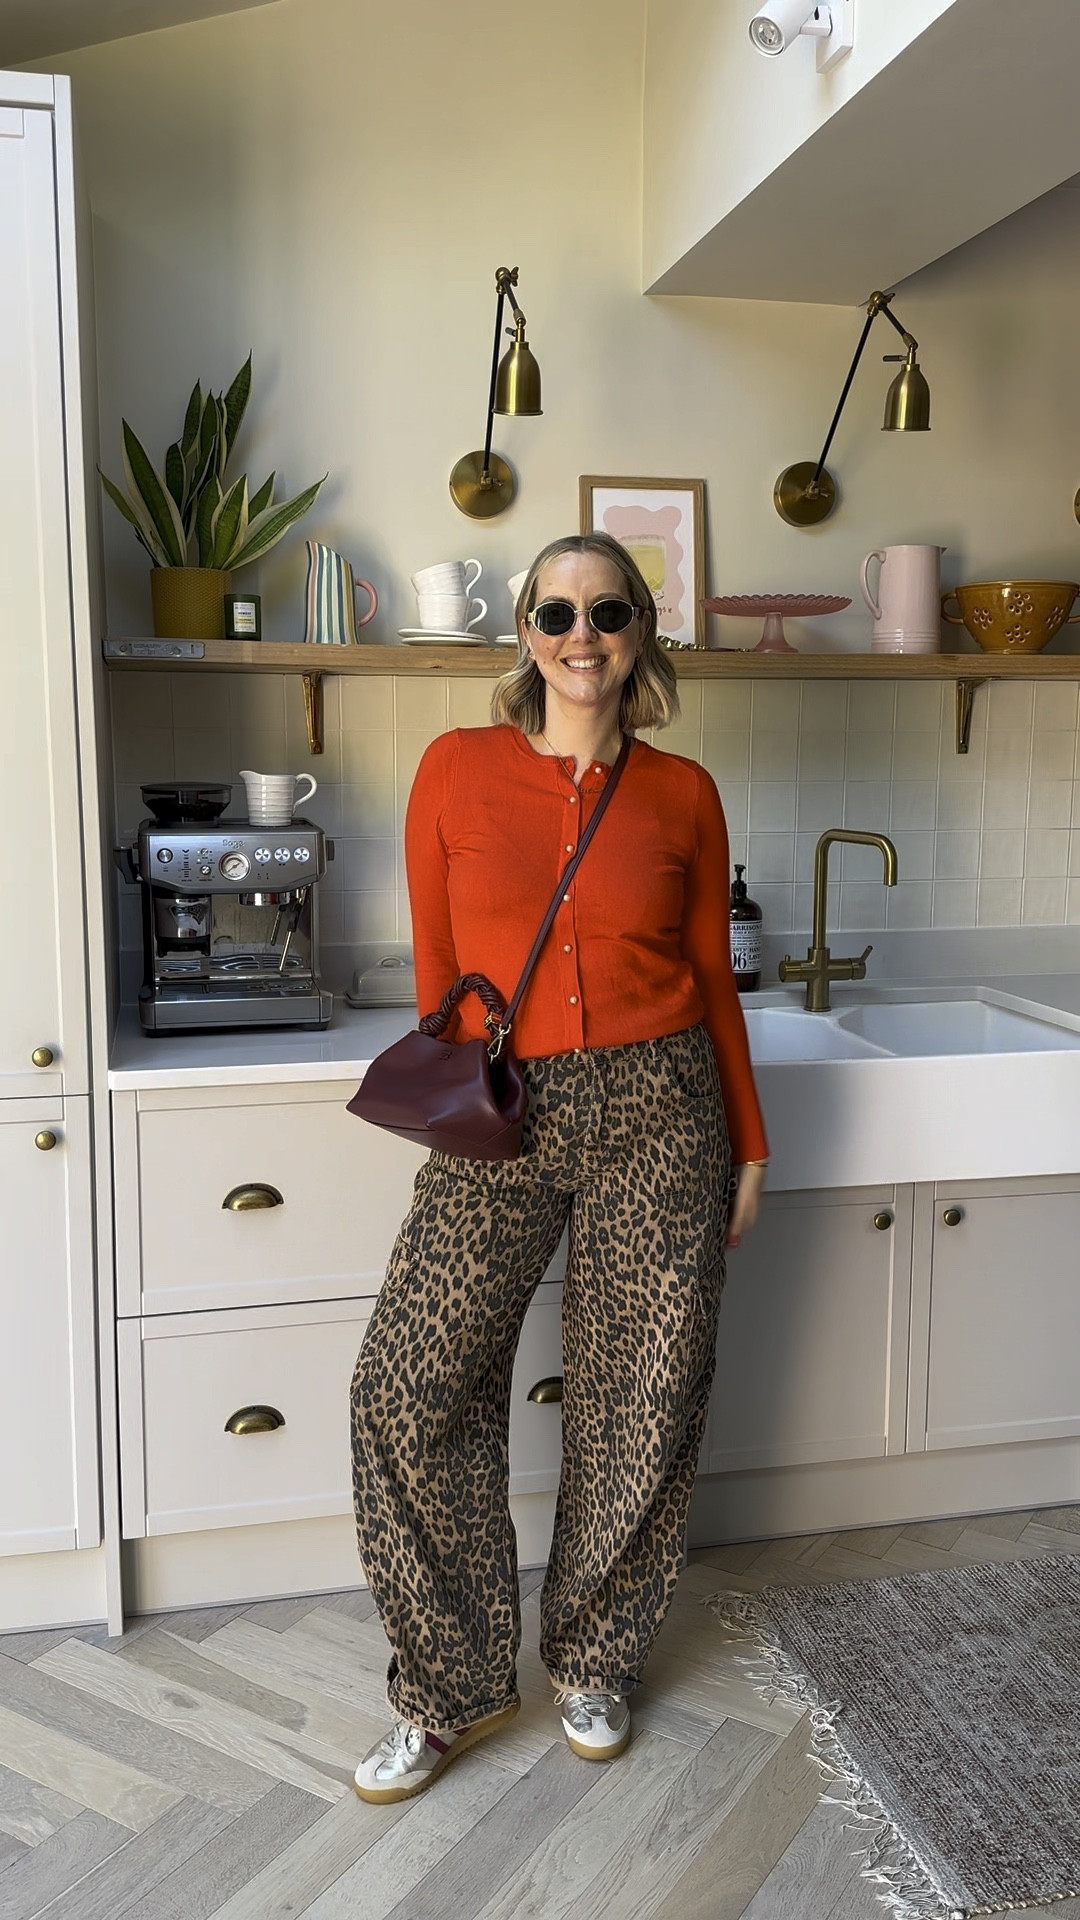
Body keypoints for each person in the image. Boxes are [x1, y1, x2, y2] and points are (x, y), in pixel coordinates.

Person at [350, 530, 768, 1804]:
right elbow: (437, 976)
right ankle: (452, 1685)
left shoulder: (684, 792)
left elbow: (716, 985)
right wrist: (457, 1108)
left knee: (643, 1389)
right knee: (408, 1389)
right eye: (554, 613)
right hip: (506, 1102)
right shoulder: (454, 771)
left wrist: (748, 1143)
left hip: (663, 1104)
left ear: (641, 630)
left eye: (607, 611)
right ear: (522, 636)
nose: (580, 636)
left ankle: (595, 1657)